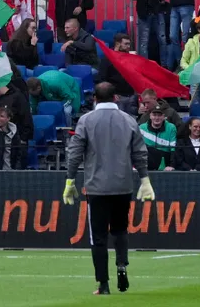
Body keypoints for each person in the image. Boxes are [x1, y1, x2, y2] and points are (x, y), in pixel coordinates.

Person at [64, 81, 153, 295]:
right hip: (123, 185)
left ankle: (103, 284)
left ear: (94, 98)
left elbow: (75, 152)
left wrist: (70, 180)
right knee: (121, 229)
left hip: (97, 187)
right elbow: (140, 153)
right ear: (116, 98)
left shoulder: (86, 120)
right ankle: (122, 264)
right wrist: (145, 179)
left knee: (99, 237)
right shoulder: (129, 120)